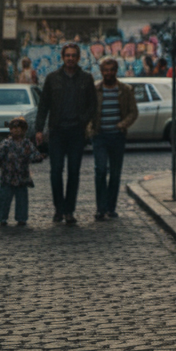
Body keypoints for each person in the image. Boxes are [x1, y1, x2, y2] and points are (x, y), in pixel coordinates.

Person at [35, 44, 96, 225]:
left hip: (76, 132)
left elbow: (92, 105)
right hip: (57, 132)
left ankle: (69, 210)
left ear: (78, 58)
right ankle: (58, 209)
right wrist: (39, 129)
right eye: (67, 55)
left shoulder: (86, 78)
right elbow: (43, 105)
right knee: (55, 171)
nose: (70, 58)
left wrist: (82, 120)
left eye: (73, 55)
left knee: (74, 172)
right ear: (63, 57)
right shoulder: (52, 79)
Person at [88, 57, 138, 221]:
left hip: (117, 137)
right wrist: (90, 129)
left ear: (116, 71)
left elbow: (133, 112)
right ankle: (100, 208)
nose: (108, 73)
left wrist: (123, 124)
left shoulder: (125, 90)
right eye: (105, 70)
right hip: (100, 136)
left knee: (115, 174)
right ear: (101, 72)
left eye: (111, 70)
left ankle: (111, 208)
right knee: (100, 171)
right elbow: (87, 111)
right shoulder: (95, 90)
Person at [0, 117, 46, 226]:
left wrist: (40, 157)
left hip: (22, 177)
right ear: (10, 130)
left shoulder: (27, 144)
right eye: (14, 128)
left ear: (24, 130)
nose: (17, 130)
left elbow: (33, 155)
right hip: (7, 177)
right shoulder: (5, 144)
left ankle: (22, 218)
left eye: (20, 128)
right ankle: (2, 218)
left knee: (22, 200)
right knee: (4, 199)